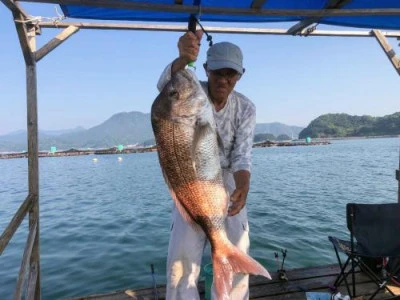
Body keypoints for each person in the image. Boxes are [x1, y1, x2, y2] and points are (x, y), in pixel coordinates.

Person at [157, 30, 256, 300]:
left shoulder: (246, 108)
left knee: (236, 243)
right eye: (216, 73)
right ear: (206, 70)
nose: (223, 80)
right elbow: (166, 86)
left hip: (228, 177)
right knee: (181, 259)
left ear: (240, 75)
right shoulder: (190, 91)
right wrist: (182, 60)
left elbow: (242, 155)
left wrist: (243, 186)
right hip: (190, 179)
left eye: (230, 74)